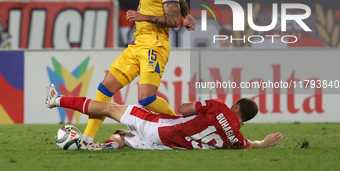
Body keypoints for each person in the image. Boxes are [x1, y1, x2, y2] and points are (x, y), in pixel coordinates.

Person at [82, 0, 196, 144]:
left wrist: (145, 16)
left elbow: (172, 20)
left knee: (146, 99)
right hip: (137, 46)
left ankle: (179, 127)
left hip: (155, 46)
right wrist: (186, 14)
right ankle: (86, 139)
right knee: (104, 89)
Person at [46, 84, 283, 150]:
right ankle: (107, 146)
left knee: (110, 108)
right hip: (170, 146)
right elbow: (250, 145)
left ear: (238, 105)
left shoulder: (219, 106)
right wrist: (264, 142)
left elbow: (182, 109)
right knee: (122, 134)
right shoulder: (236, 139)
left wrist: (194, 106)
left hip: (161, 128)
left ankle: (56, 100)